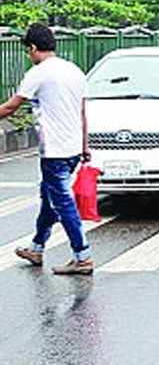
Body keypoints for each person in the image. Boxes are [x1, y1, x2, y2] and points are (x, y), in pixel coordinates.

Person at [0, 24, 94, 275]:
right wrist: (85, 146)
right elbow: (82, 112)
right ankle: (37, 247)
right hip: (72, 147)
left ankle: (82, 256)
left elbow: (10, 107)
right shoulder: (75, 71)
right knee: (48, 199)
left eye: (28, 52)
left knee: (62, 203)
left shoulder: (38, 73)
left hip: (54, 150)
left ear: (32, 48)